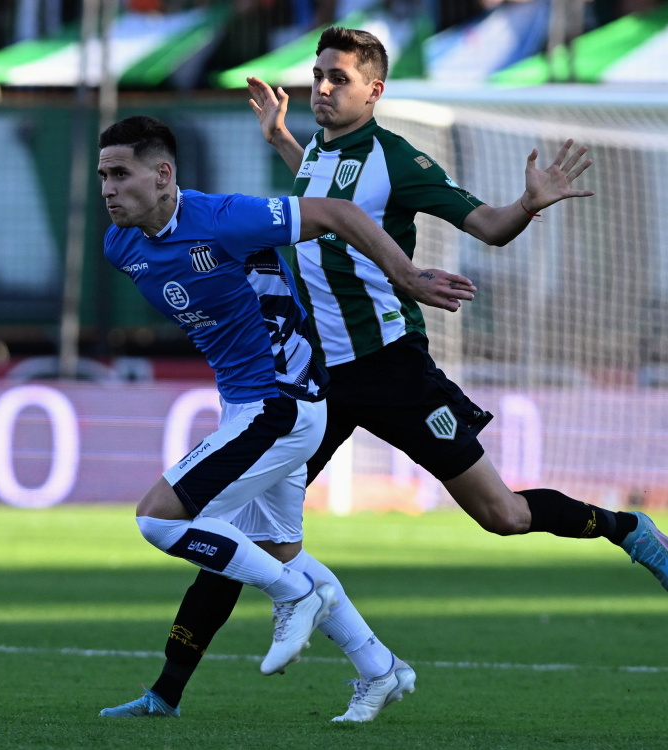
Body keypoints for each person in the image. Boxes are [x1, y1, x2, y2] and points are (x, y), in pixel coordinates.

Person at [101, 26, 668, 723]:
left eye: (338, 77)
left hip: (390, 366)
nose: (322, 87)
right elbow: (317, 196)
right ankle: (168, 690)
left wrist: (526, 203)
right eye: (317, 75)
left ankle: (625, 528)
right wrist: (281, 138)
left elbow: (487, 226)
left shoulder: (397, 159)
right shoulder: (312, 153)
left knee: (504, 515)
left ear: (375, 89)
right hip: (316, 379)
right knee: (240, 530)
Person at [97, 114, 475, 716]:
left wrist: (404, 275)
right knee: (280, 548)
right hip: (245, 404)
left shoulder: (224, 220)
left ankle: (293, 596)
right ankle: (378, 668)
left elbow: (338, 213)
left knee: (158, 520)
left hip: (283, 405)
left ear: (163, 175)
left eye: (121, 174)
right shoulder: (122, 245)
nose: (108, 188)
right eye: (102, 176)